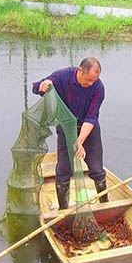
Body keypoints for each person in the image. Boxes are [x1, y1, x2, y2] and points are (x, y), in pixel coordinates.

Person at [32, 57, 106, 210]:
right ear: (80, 71)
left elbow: (91, 117)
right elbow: (37, 88)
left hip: (88, 129)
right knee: (63, 170)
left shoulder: (98, 88)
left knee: (97, 169)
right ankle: (63, 209)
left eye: (95, 80)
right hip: (66, 129)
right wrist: (43, 86)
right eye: (89, 80)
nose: (91, 84)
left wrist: (79, 141)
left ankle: (106, 205)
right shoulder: (62, 77)